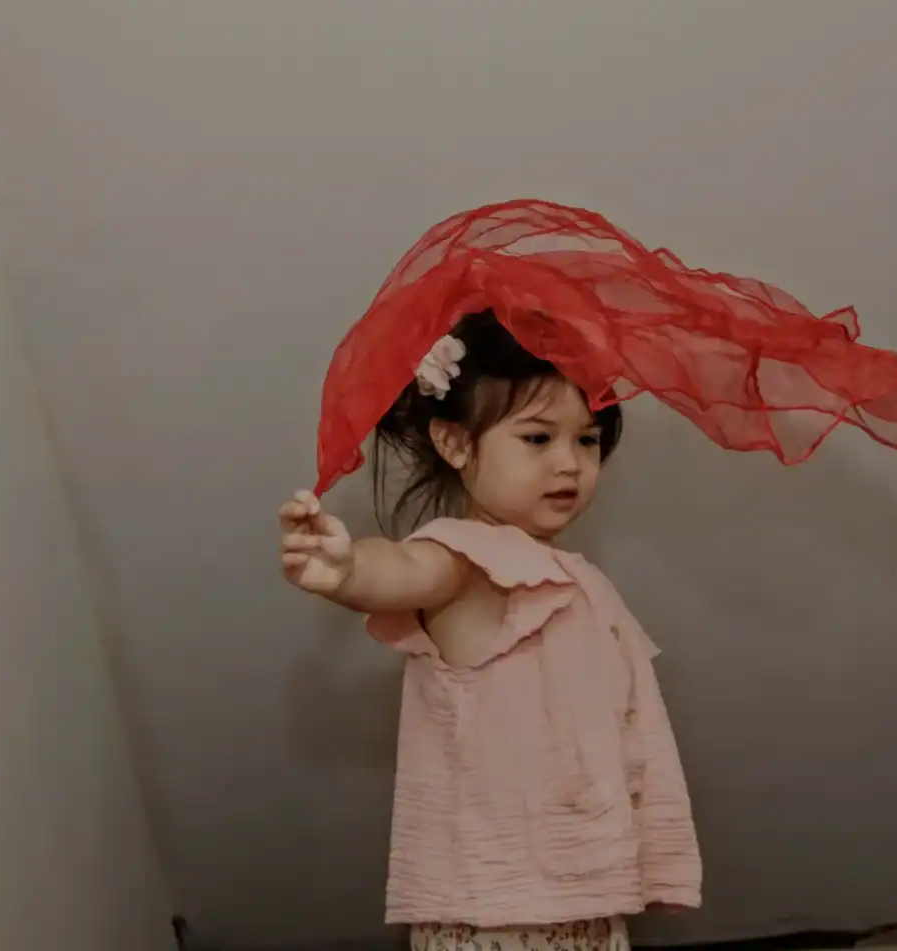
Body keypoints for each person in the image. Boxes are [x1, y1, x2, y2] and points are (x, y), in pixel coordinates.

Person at [281, 309, 700, 951]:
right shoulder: (466, 558)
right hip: (495, 912)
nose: (570, 464)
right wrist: (347, 570)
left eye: (587, 440)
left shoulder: (576, 579)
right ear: (454, 444)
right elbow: (405, 569)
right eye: (538, 439)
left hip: (577, 891)